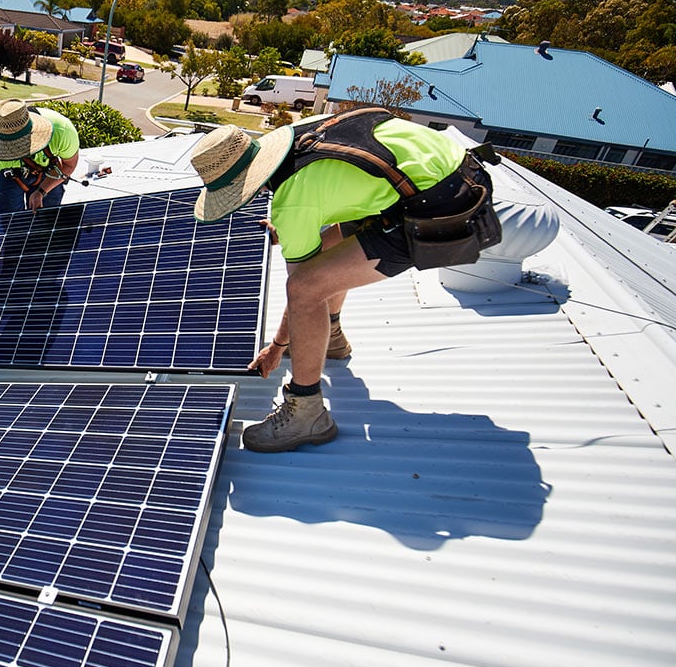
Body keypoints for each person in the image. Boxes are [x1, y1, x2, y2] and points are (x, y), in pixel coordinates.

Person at [190, 108, 500, 453]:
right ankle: (332, 336)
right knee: (328, 256)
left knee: (305, 288)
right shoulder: (301, 136)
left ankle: (306, 411)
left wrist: (278, 346)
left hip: (441, 206)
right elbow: (332, 186)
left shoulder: (292, 203)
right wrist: (297, 226)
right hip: (454, 171)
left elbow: (304, 291)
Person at [0, 99, 80, 285]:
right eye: (9, 150)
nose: (14, 152)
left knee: (48, 221)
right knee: (12, 225)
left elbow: (68, 167)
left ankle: (41, 269)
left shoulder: (62, 131)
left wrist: (42, 190)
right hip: (7, 177)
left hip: (46, 172)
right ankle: (17, 272)